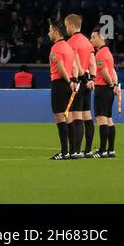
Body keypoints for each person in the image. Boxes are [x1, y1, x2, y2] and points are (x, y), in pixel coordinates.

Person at [63, 13, 96, 156]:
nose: (66, 29)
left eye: (66, 26)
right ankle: (87, 150)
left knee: (75, 117)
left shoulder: (71, 43)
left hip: (77, 82)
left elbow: (75, 63)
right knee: (87, 116)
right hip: (87, 83)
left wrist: (82, 79)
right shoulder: (87, 42)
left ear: (71, 25)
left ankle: (75, 150)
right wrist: (91, 79)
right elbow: (92, 63)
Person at [47, 22, 78, 161]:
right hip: (69, 83)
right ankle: (72, 151)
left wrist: (69, 81)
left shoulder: (55, 48)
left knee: (60, 117)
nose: (49, 33)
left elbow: (60, 67)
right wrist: (74, 81)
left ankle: (64, 151)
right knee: (68, 117)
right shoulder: (69, 47)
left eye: (50, 30)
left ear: (56, 32)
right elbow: (74, 66)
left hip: (60, 83)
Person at [90, 29, 119, 158]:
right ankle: (111, 149)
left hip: (102, 89)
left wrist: (111, 84)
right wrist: (115, 85)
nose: (91, 40)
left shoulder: (100, 54)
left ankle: (102, 150)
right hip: (109, 90)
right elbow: (113, 71)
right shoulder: (108, 53)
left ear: (101, 38)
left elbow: (105, 72)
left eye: (93, 37)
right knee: (109, 119)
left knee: (101, 119)